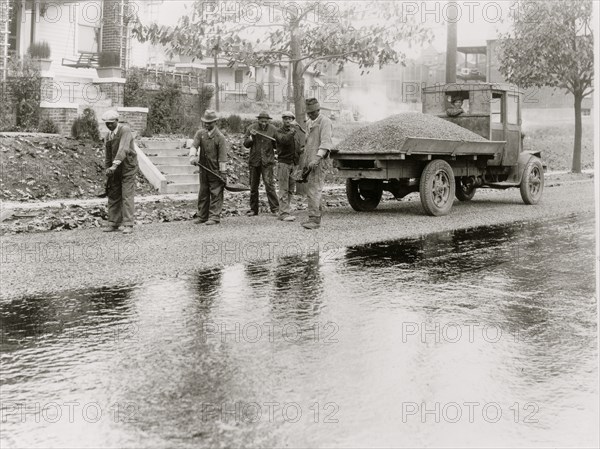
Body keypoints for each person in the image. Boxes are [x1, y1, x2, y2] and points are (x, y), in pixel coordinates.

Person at [188, 109, 228, 225]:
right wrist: (192, 157)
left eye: (209, 123)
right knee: (203, 193)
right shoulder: (200, 134)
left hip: (215, 170)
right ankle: (202, 216)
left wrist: (223, 173)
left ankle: (214, 216)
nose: (206, 124)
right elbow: (194, 146)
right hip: (203, 169)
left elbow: (222, 157)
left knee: (216, 193)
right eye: (205, 122)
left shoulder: (220, 137)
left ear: (215, 122)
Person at [102, 110, 138, 234]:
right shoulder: (108, 136)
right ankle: (113, 222)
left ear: (117, 121)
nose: (109, 125)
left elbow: (123, 148)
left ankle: (128, 223)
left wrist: (115, 164)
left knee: (126, 195)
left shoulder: (125, 130)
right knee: (113, 194)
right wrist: (108, 169)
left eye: (111, 123)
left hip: (128, 167)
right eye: (107, 123)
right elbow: (108, 155)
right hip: (115, 169)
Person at [300, 98, 333, 230]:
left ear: (319, 110)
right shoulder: (309, 123)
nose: (311, 114)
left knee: (314, 190)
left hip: (319, 160)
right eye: (309, 112)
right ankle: (315, 216)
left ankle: (314, 220)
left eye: (313, 112)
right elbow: (309, 143)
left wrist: (317, 158)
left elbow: (326, 143)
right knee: (312, 189)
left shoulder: (325, 122)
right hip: (310, 160)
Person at [243, 111, 279, 216]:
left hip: (267, 161)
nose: (263, 123)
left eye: (266, 121)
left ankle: (275, 209)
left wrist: (277, 142)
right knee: (253, 186)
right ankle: (254, 209)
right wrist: (251, 137)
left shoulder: (273, 129)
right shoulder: (251, 128)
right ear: (258, 120)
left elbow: (277, 146)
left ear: (268, 121)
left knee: (269, 185)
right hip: (254, 161)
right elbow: (246, 144)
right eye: (262, 121)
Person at [274, 110, 304, 222]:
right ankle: (283, 213)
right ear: (282, 120)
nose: (288, 120)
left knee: (291, 189)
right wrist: (292, 131)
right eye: (285, 118)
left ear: (293, 120)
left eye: (290, 118)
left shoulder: (295, 133)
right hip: (284, 164)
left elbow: (298, 147)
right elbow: (283, 141)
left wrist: (302, 150)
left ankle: (286, 210)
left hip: (293, 164)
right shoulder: (278, 132)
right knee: (283, 189)